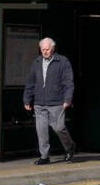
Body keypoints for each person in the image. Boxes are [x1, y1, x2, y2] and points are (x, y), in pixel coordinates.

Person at [23, 37, 76, 165]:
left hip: (57, 102)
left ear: (52, 48)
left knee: (59, 128)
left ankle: (70, 147)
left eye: (47, 49)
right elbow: (31, 82)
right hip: (39, 103)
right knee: (41, 131)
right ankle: (44, 156)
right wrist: (27, 99)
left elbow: (68, 83)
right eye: (42, 49)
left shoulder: (63, 61)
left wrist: (67, 99)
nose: (45, 52)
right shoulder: (36, 62)